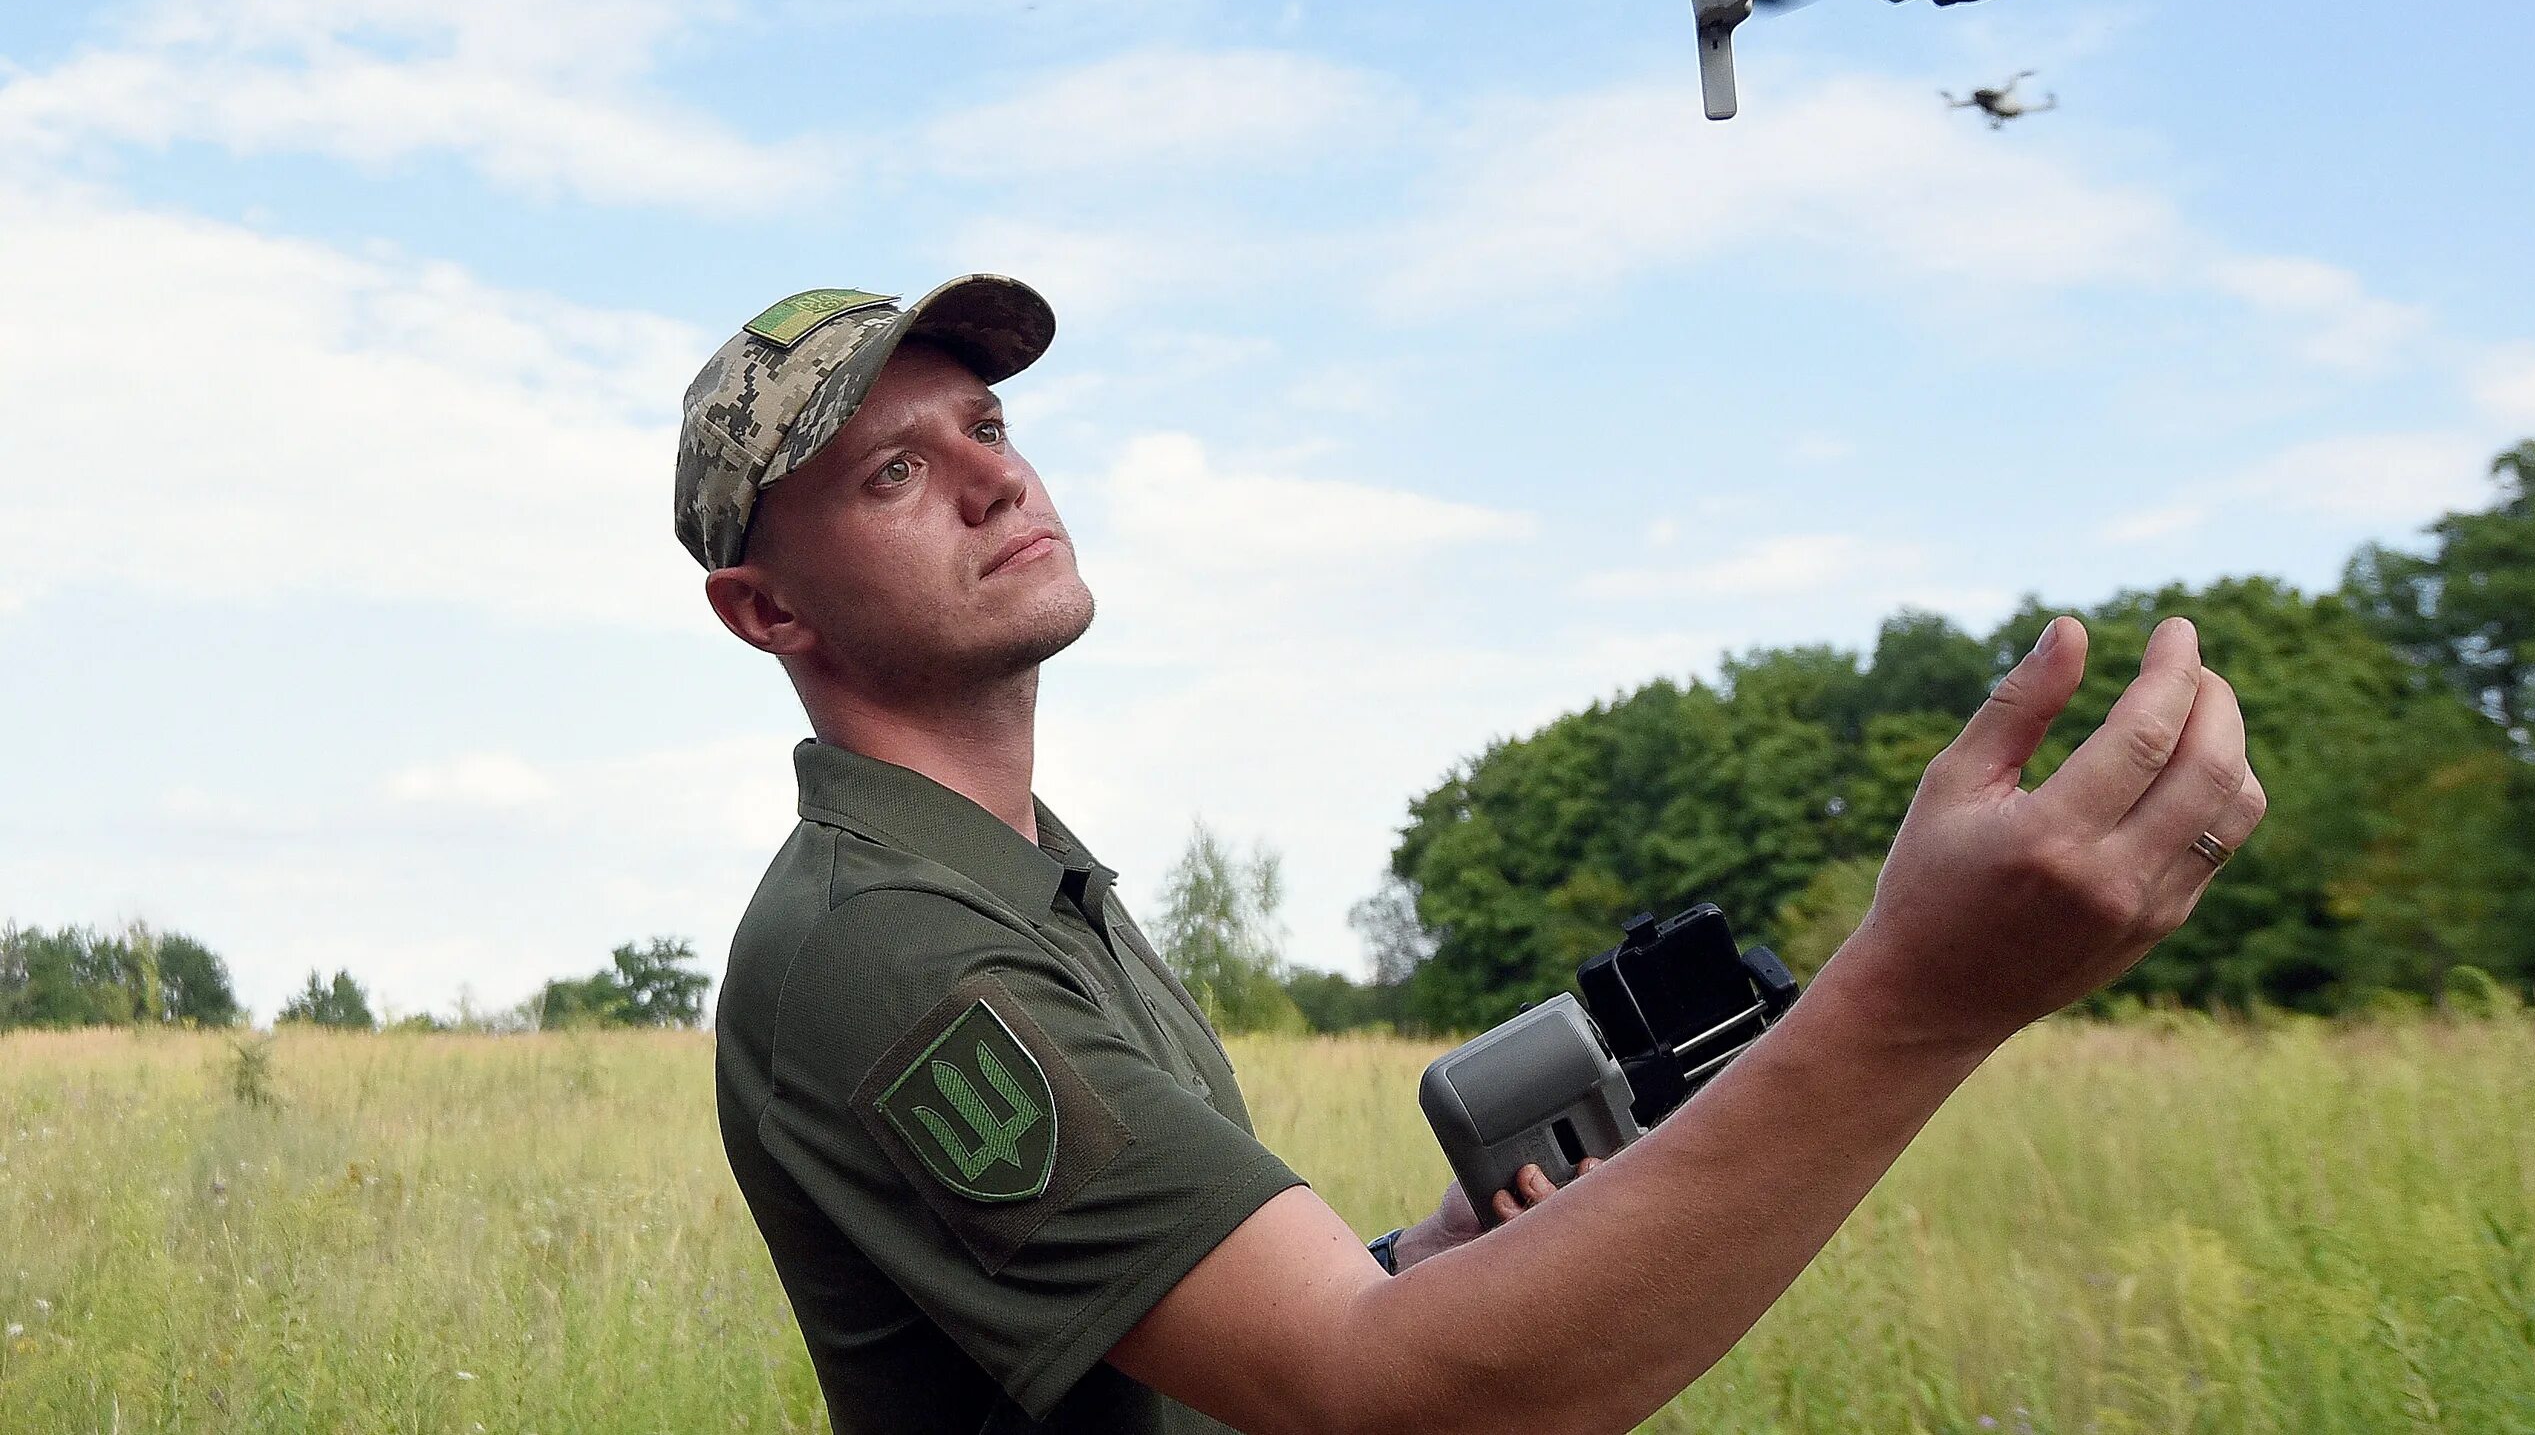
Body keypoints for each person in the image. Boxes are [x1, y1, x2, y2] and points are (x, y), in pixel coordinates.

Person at [683, 276, 2264, 1435]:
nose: (995, 477)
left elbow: (1221, 1356)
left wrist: (1414, 1261)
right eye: (894, 471)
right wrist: (1919, 994)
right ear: (769, 611)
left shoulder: (1019, 881)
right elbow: (1383, 1400)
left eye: (988, 424)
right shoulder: (886, 945)